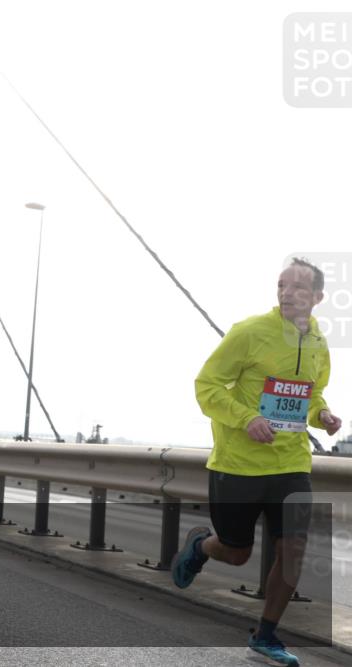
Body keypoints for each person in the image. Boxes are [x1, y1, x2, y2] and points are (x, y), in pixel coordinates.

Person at [173, 258, 342, 667]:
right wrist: (247, 419)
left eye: (299, 288)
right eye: (282, 285)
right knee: (236, 553)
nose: (287, 293)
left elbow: (312, 393)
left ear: (318, 298)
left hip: (291, 463)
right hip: (239, 464)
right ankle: (200, 545)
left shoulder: (318, 342)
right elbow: (206, 386)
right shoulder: (249, 333)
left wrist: (323, 414)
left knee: (294, 550)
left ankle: (265, 636)